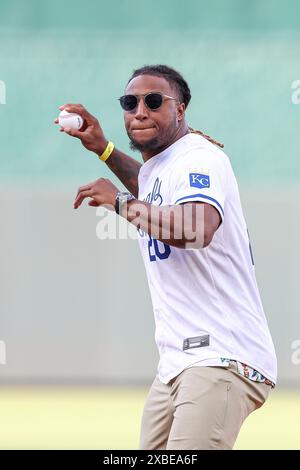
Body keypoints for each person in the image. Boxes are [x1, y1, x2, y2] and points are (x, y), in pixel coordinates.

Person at [55, 64, 277, 450]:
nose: (139, 110)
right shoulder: (164, 165)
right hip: (178, 362)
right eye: (130, 102)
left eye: (153, 101)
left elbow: (197, 228)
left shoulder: (199, 158)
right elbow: (150, 187)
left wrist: (121, 204)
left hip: (220, 354)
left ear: (181, 110)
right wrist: (104, 149)